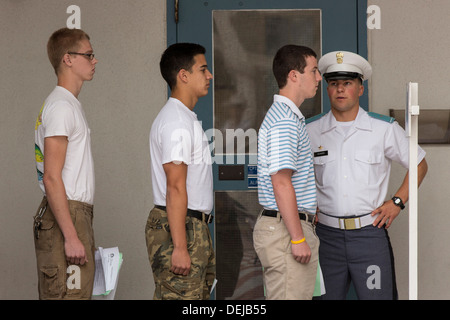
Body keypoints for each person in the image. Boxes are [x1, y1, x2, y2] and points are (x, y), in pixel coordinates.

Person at [306, 51, 428, 299]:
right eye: (334, 83)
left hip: (369, 235)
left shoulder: (383, 128)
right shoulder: (310, 130)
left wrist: (397, 202)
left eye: (348, 83)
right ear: (327, 89)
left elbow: (420, 163)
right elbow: (295, 175)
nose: (340, 89)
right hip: (325, 237)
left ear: (360, 89)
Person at [145, 43, 215, 300]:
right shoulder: (176, 121)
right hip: (181, 227)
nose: (209, 76)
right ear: (183, 75)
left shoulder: (184, 117)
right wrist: (180, 247)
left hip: (191, 225)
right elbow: (175, 186)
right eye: (203, 69)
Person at [253, 45, 322, 300]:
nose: (318, 78)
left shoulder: (289, 117)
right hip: (286, 231)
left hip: (286, 228)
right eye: (314, 71)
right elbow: (281, 183)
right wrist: (297, 238)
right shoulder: (284, 121)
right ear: (294, 75)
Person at [33, 28, 98, 300]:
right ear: (68, 59)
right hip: (67, 213)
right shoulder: (61, 106)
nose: (95, 61)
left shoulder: (68, 105)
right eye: (89, 55)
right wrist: (71, 236)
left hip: (72, 213)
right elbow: (51, 177)